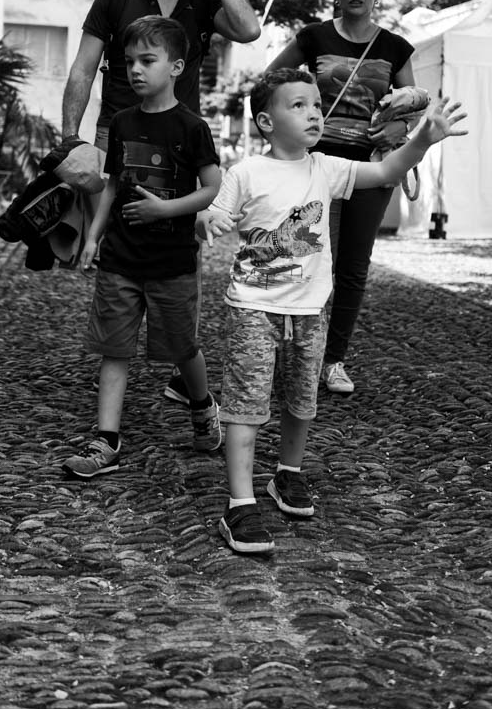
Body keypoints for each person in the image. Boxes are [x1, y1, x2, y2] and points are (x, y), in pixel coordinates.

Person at [198, 69, 467, 554]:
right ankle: (240, 502)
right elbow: (214, 212)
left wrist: (423, 140)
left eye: (317, 105)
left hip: (310, 310)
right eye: (298, 105)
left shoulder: (326, 168)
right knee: (245, 404)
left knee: (302, 399)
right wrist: (210, 220)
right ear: (266, 121)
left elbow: (384, 173)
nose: (314, 114)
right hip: (253, 308)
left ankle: (288, 473)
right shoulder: (246, 173)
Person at [60, 0, 262, 407]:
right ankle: (117, 355)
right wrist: (70, 139)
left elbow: (249, 29)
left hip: (180, 145)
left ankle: (181, 359)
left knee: (179, 249)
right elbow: (83, 69)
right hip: (117, 136)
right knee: (118, 249)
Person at [63, 16, 225, 480]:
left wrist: (165, 210)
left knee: (182, 347)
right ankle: (106, 440)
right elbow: (113, 185)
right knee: (114, 348)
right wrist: (93, 236)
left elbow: (212, 187)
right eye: (129, 61)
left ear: (176, 67)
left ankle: (202, 404)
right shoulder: (121, 122)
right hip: (121, 257)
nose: (135, 69)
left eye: (147, 60)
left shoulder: (192, 127)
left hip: (172, 262)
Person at [264, 0, 418, 394]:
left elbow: (414, 103)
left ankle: (333, 360)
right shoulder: (313, 37)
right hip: (316, 165)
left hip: (370, 167)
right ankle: (297, 353)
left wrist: (401, 126)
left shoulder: (395, 47)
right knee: (306, 259)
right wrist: (298, 115)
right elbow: (269, 82)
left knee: (353, 267)